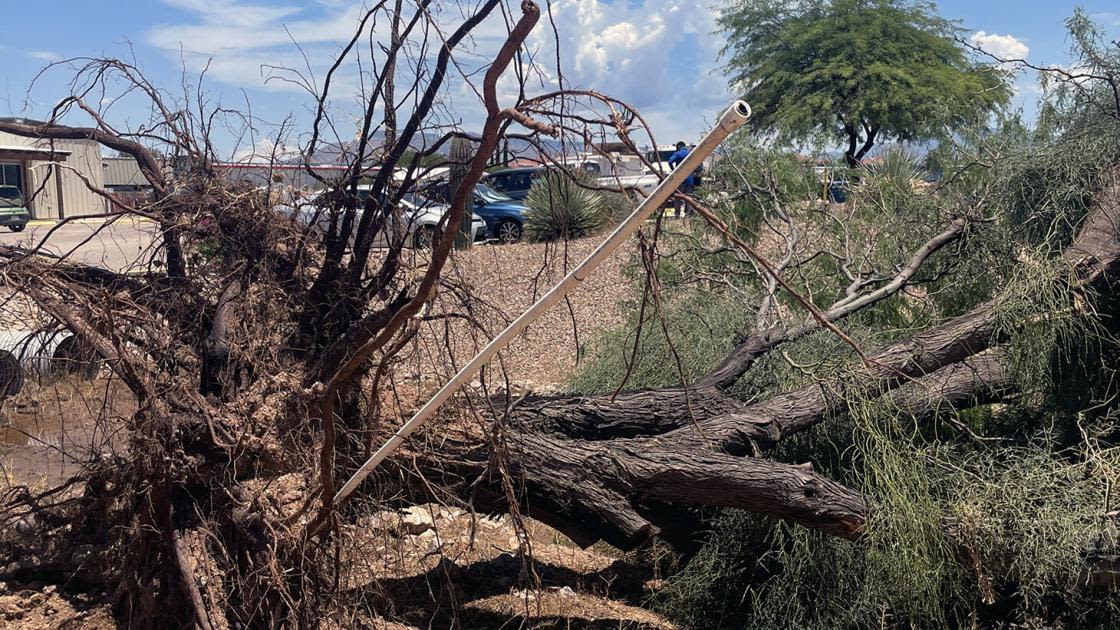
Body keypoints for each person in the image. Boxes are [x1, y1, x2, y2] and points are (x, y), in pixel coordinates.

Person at [667, 141, 694, 218]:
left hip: (680, 179)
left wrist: (674, 171)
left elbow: (670, 162)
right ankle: (688, 214)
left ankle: (677, 214)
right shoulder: (690, 153)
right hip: (689, 179)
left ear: (678, 146)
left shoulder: (678, 153)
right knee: (688, 197)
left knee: (678, 197)